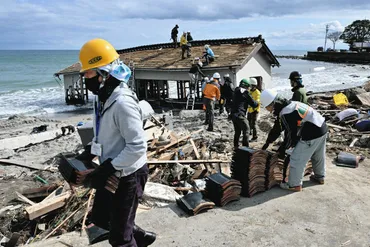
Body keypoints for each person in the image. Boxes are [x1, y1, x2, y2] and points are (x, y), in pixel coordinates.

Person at [77, 38, 156, 247]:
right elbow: (104, 134)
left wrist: (107, 168)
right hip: (111, 168)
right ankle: (141, 237)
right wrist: (89, 151)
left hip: (128, 174)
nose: (84, 77)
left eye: (88, 73)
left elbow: (138, 146)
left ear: (103, 73)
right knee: (101, 218)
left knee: (119, 238)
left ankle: (130, 237)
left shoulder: (122, 103)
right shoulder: (101, 99)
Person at [260, 89, 327, 192]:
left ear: (274, 103)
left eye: (268, 107)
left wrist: (283, 149)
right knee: (318, 154)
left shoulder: (287, 113)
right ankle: (320, 177)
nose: (269, 110)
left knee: (297, 158)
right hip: (322, 127)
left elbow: (291, 135)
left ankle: (294, 185)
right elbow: (278, 128)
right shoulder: (291, 105)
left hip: (311, 133)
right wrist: (268, 142)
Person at [231, 79, 258, 149]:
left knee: (237, 132)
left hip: (233, 114)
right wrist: (258, 102)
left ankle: (236, 147)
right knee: (246, 129)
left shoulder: (236, 90)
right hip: (240, 114)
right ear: (246, 86)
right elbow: (253, 104)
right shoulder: (245, 92)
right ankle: (245, 149)